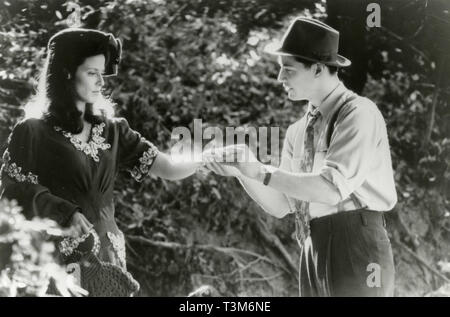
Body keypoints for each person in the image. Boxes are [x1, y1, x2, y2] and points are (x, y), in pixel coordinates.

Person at [0, 28, 201, 296]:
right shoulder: (32, 132)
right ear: (66, 73)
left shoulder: (114, 131)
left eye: (101, 74)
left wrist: (209, 157)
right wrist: (63, 211)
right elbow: (11, 193)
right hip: (59, 266)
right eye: (91, 73)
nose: (100, 82)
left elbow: (170, 168)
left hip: (110, 263)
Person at [205, 17, 397, 296]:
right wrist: (241, 170)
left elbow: (332, 189)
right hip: (313, 243)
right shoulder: (298, 131)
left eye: (288, 70)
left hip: (357, 241)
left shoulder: (358, 114)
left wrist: (260, 171)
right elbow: (283, 204)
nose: (280, 78)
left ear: (318, 69)